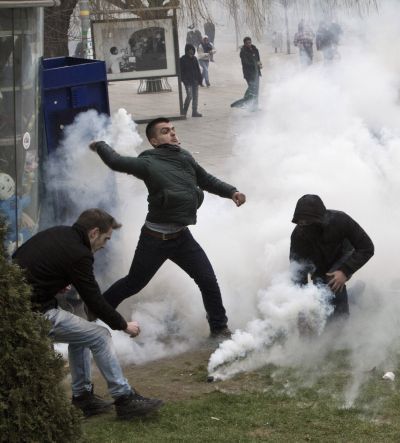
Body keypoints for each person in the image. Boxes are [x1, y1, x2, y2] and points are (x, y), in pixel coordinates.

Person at [89, 118, 246, 340]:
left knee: (208, 280)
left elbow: (206, 180)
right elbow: (116, 162)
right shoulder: (148, 163)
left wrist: (232, 192)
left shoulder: (185, 157)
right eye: (165, 131)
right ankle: (96, 310)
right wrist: (100, 145)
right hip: (155, 240)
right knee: (134, 283)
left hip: (181, 237)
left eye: (173, 129)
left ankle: (219, 328)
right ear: (153, 141)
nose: (172, 133)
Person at [12, 208, 163, 419]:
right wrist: (123, 325)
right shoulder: (80, 254)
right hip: (32, 315)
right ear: (93, 233)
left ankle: (83, 398)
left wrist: (53, 284)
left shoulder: (59, 233)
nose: (104, 245)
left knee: (83, 332)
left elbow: (24, 263)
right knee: (100, 335)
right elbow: (94, 300)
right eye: (105, 239)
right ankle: (125, 399)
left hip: (15, 310)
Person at [289, 195, 374, 321]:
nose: (303, 226)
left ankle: (341, 323)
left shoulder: (341, 220)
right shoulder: (298, 236)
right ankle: (354, 294)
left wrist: (345, 271)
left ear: (320, 219)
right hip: (319, 263)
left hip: (344, 254)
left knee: (330, 281)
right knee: (320, 291)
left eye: (308, 222)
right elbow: (298, 275)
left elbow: (367, 247)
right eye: (300, 222)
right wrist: (303, 311)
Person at [230, 37, 262, 111]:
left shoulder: (255, 49)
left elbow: (258, 60)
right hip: (249, 74)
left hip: (256, 72)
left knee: (256, 90)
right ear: (244, 44)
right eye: (247, 43)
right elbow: (246, 63)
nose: (249, 44)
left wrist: (259, 64)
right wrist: (255, 64)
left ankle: (255, 106)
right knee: (252, 89)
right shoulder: (243, 52)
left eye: (250, 42)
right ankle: (243, 102)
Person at [180, 44, 203, 117]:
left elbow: (198, 69)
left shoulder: (195, 59)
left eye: (192, 49)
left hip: (195, 81)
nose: (191, 51)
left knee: (195, 97)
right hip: (188, 82)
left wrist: (200, 80)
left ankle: (194, 112)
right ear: (187, 50)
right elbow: (181, 72)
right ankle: (184, 111)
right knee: (189, 96)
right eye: (190, 49)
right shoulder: (182, 59)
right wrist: (184, 80)